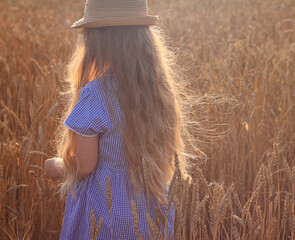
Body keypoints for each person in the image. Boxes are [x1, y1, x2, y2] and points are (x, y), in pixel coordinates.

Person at [44, 0, 189, 239]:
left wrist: (56, 166)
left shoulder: (96, 95)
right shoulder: (161, 93)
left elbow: (84, 166)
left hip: (106, 217)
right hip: (150, 214)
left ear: (98, 42)